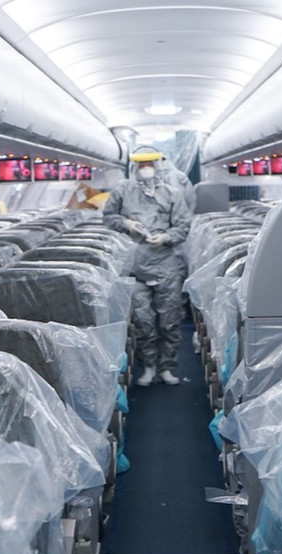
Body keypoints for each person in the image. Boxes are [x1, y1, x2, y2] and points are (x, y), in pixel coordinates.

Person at [104, 150, 193, 386]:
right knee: (144, 321)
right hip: (135, 264)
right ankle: (149, 366)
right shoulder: (123, 191)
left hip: (166, 265)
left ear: (157, 166)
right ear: (134, 168)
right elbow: (108, 217)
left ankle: (167, 366)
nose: (146, 168)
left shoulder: (172, 194)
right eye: (141, 165)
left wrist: (166, 237)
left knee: (169, 320)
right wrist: (125, 222)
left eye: (149, 164)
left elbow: (184, 226)